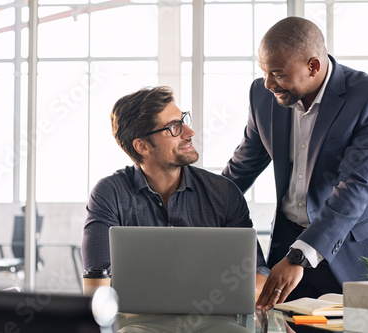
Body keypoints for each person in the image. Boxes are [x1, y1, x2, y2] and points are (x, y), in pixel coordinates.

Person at [222, 17, 368, 310]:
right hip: (287, 243)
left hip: (353, 248)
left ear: (313, 66)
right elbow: (241, 168)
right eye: (264, 72)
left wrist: (300, 257)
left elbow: (356, 185)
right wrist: (191, 202)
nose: (267, 83)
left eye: (277, 74)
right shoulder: (262, 95)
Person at [82, 86, 269, 297]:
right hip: (135, 324)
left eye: (184, 120)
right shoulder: (109, 194)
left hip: (213, 320)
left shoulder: (224, 192)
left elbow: (256, 270)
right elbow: (97, 282)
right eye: (173, 127)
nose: (190, 133)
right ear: (142, 146)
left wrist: (246, 294)